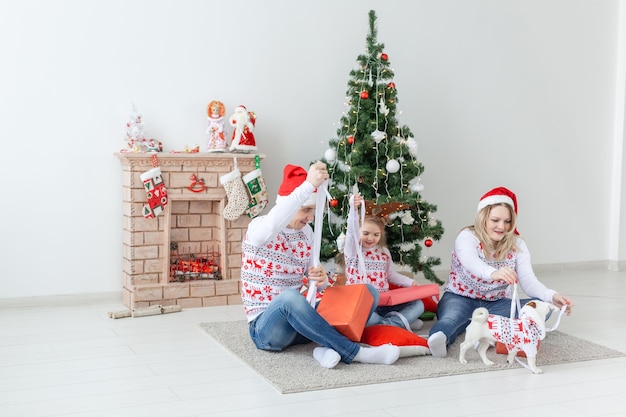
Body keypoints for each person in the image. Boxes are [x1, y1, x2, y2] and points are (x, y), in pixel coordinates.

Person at [240, 162, 401, 368]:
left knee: (367, 292)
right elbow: (273, 223)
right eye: (306, 209)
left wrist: (322, 281)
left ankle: (326, 346)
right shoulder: (259, 227)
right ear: (288, 205)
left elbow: (314, 281)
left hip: (299, 324)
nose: (310, 217)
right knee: (289, 298)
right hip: (267, 330)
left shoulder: (306, 233)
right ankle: (355, 352)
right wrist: (308, 185)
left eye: (313, 210)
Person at [428, 186, 574, 358]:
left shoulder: (517, 244)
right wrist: (493, 273)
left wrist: (551, 296)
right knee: (450, 320)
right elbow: (471, 263)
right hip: (460, 297)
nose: (501, 226)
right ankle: (440, 339)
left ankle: (485, 333)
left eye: (507, 221)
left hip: (495, 303)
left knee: (541, 306)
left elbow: (528, 282)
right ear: (483, 218)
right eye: (495, 220)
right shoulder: (467, 237)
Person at [342, 194, 425, 331]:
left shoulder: (384, 252)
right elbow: (351, 232)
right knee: (367, 318)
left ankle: (387, 325)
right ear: (358, 232)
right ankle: (400, 322)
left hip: (385, 303)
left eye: (376, 235)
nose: (370, 238)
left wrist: (410, 283)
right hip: (363, 307)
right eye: (366, 233)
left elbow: (391, 275)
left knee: (418, 305)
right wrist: (353, 209)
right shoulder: (353, 250)